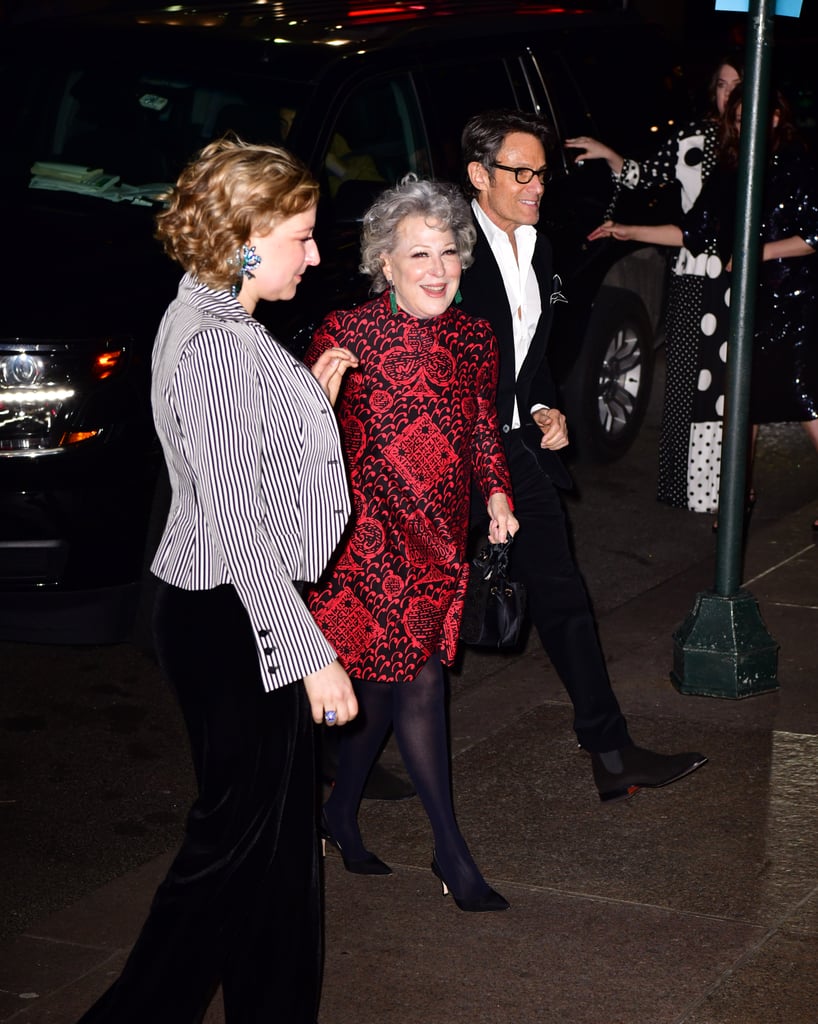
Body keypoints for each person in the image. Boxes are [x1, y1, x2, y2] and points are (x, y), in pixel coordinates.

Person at [75, 137, 359, 1024]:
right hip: (236, 618)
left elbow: (239, 464)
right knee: (233, 849)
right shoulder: (214, 347)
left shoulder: (216, 319)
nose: (316, 255)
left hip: (231, 612)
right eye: (303, 236)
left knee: (276, 856)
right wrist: (313, 655)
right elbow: (238, 528)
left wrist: (306, 397)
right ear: (247, 237)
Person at [458, 108, 707, 803]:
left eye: (542, 172)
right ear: (479, 176)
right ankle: (337, 752)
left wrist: (540, 408)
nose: (537, 186)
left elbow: (526, 356)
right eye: (520, 173)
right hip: (452, 454)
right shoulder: (447, 250)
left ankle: (611, 748)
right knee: (414, 603)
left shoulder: (536, 245)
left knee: (564, 596)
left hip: (514, 448)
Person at [304, 178, 518, 913]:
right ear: (384, 265)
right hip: (365, 541)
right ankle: (451, 853)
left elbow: (483, 425)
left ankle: (337, 811)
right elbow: (301, 443)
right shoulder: (346, 333)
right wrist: (315, 401)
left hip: (438, 539)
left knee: (387, 690)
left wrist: (497, 493)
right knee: (419, 680)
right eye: (417, 253)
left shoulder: (474, 335)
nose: (437, 268)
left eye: (448, 251)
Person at [590, 85, 818, 531]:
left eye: (755, 113)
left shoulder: (798, 163)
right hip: (749, 305)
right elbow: (694, 232)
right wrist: (629, 230)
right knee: (741, 402)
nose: (745, 123)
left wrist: (757, 252)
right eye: (737, 117)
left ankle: (736, 500)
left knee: (807, 399)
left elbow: (812, 237)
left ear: (775, 116)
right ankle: (736, 498)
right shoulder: (731, 171)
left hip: (795, 302)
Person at [565, 56, 742, 512]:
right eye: (722, 85)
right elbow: (644, 174)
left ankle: (726, 488)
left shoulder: (756, 146)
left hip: (733, 278)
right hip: (687, 270)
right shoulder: (693, 138)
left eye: (739, 86)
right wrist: (609, 156)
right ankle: (690, 489)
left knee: (726, 384)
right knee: (685, 380)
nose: (729, 95)